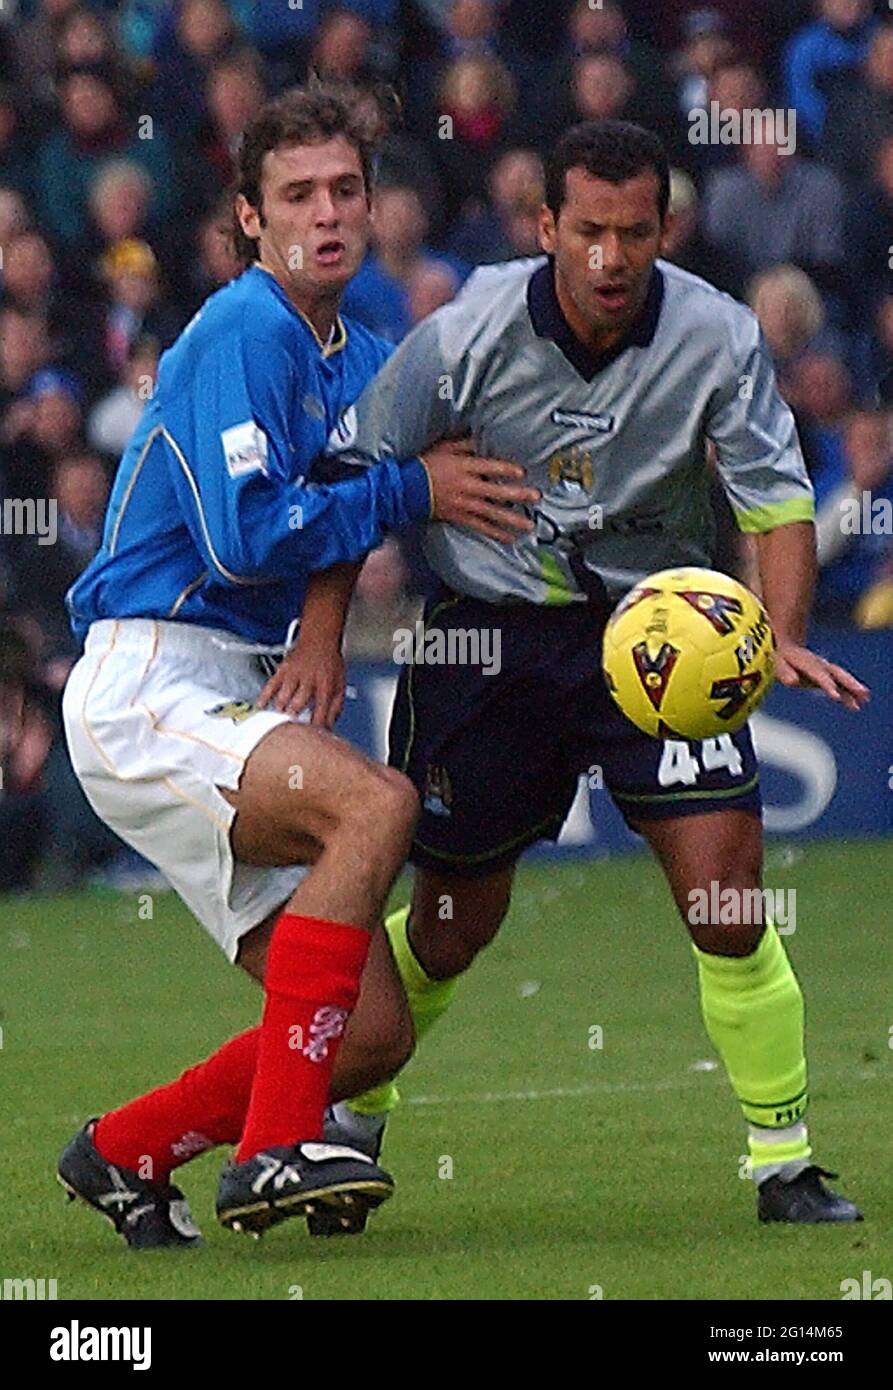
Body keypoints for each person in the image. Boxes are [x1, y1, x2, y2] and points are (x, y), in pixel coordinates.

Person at [271, 118, 870, 1229]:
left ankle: (782, 1160)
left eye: (632, 232)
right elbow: (352, 475)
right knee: (451, 925)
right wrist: (320, 636)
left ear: (664, 229)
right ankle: (354, 1119)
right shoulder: (464, 333)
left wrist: (775, 632)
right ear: (543, 224)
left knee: (726, 900)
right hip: (485, 638)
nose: (608, 257)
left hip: (663, 635)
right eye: (586, 230)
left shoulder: (717, 335)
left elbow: (775, 496)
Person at [57, 79, 538, 1249]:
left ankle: (123, 1152)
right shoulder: (244, 326)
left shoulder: (364, 348)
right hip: (145, 681)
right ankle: (272, 1150)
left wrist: (328, 620)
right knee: (376, 803)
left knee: (371, 1034)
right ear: (251, 220)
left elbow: (349, 485)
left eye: (344, 190)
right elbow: (247, 529)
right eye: (296, 195)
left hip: (233, 682)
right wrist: (413, 487)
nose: (325, 212)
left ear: (371, 207)